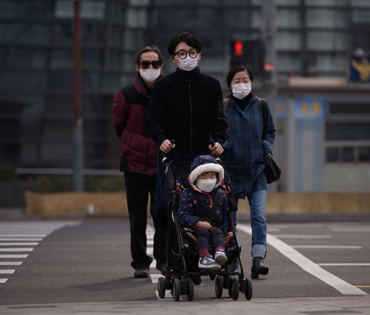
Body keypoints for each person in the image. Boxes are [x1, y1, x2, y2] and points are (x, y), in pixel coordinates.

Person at [147, 32, 227, 233]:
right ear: (173, 58)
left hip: (203, 156)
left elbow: (219, 121)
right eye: (181, 53)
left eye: (192, 52)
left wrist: (218, 141)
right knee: (166, 205)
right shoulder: (164, 86)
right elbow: (154, 120)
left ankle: (212, 249)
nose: (187, 57)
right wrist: (161, 139)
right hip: (172, 155)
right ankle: (165, 257)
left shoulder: (212, 85)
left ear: (199, 55)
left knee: (209, 204)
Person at [112, 46, 167, 278]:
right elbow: (119, 127)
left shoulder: (169, 92)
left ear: (161, 65)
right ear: (137, 67)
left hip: (162, 164)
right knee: (137, 217)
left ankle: (164, 260)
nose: (151, 68)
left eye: (155, 64)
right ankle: (140, 263)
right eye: (146, 64)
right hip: (133, 164)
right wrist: (131, 143)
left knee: (163, 215)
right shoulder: (125, 96)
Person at [221, 65, 276, 279]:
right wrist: (226, 145)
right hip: (230, 173)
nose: (241, 84)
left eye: (245, 79)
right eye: (237, 80)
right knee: (229, 218)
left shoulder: (261, 105)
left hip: (257, 171)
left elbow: (270, 131)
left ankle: (258, 259)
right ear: (230, 84)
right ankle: (232, 259)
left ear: (251, 82)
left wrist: (265, 146)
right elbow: (214, 133)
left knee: (259, 216)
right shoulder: (223, 107)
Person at [178, 155, 229, 270]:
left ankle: (220, 252)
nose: (208, 179)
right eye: (204, 176)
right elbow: (183, 214)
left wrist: (225, 228)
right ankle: (204, 258)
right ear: (195, 178)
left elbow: (226, 216)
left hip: (216, 229)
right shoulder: (188, 194)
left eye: (212, 176)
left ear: (217, 178)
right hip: (195, 230)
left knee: (217, 232)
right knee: (203, 233)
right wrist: (198, 223)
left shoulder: (221, 195)